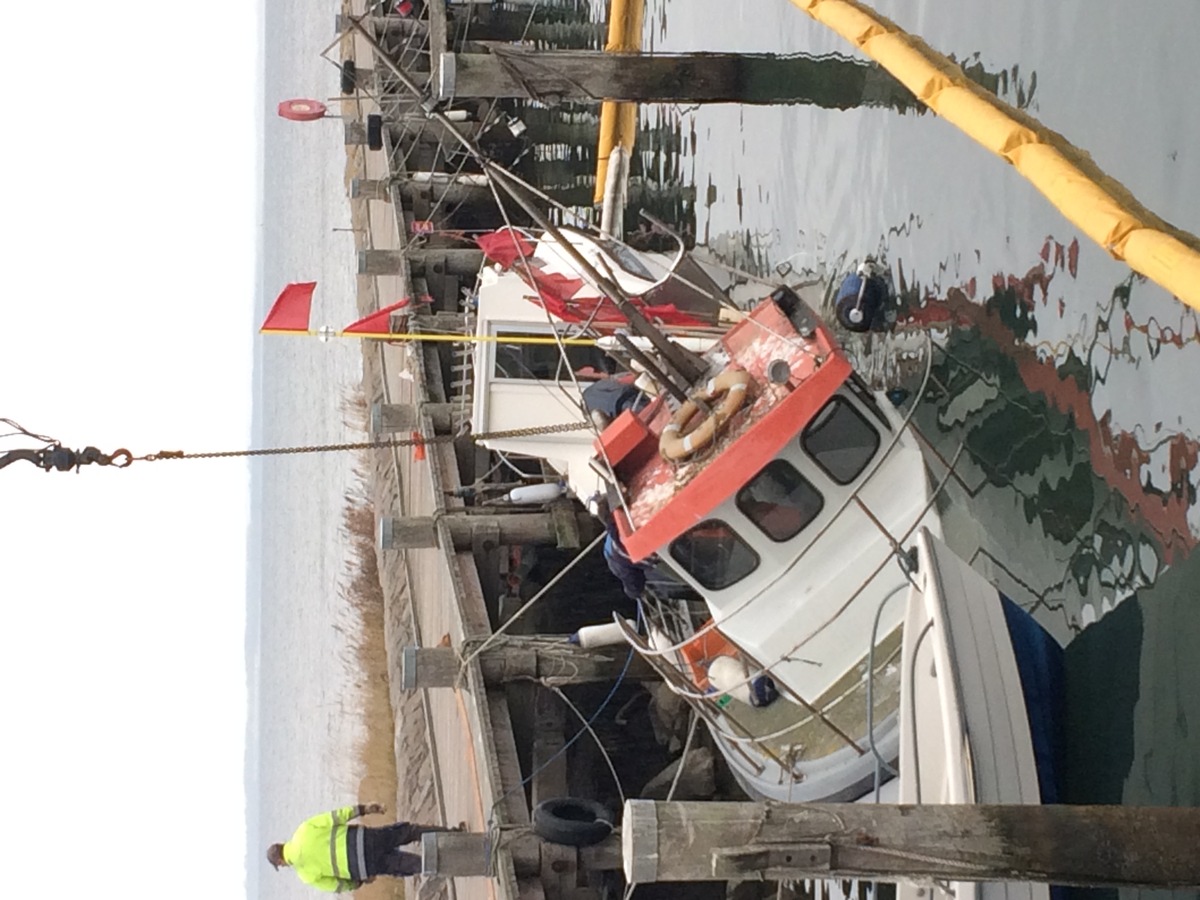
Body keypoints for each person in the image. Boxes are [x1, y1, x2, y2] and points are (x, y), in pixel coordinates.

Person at [266, 803, 462, 891]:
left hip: (364, 866)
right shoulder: (303, 830)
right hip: (365, 839)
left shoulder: (305, 876)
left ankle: (462, 863)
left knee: (413, 865)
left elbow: (337, 886)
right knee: (408, 832)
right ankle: (454, 834)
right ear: (282, 844)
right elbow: (336, 816)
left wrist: (360, 882)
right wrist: (364, 809)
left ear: (281, 862)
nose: (284, 866)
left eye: (281, 865)